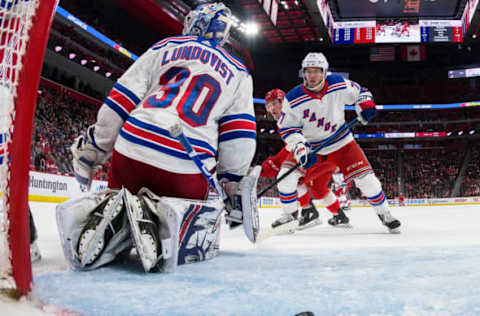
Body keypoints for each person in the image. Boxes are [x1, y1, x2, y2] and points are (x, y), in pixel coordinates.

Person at [64, 3, 257, 272]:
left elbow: (120, 101)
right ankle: (160, 220)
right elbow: (240, 137)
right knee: (201, 217)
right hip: (186, 166)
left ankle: (117, 213)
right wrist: (231, 183)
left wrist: (96, 147)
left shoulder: (164, 47)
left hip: (133, 149)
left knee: (121, 188)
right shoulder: (239, 73)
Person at [277, 52, 401, 233]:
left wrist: (365, 104)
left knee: (368, 181)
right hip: (312, 147)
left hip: (342, 143)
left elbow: (362, 92)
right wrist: (299, 148)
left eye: (317, 71)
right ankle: (289, 217)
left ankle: (385, 214)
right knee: (284, 178)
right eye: (308, 71)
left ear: (324, 72)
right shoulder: (292, 98)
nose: (312, 76)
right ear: (304, 73)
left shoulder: (338, 83)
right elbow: (287, 129)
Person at [260, 88, 348, 230]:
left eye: (273, 104)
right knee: (319, 189)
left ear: (283, 101)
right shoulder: (291, 113)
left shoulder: (292, 115)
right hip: (330, 156)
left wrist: (270, 166)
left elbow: (291, 150)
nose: (271, 109)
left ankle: (306, 213)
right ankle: (340, 216)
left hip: (319, 153)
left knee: (293, 179)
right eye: (268, 106)